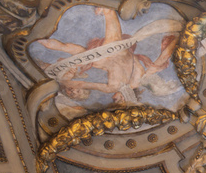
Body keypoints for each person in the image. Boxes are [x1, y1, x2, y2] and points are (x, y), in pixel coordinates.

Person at [38, 6, 179, 104]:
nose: (113, 96)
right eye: (116, 99)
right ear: (125, 99)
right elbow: (83, 83)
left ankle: (40, 40)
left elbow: (83, 83)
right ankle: (41, 40)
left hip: (107, 55)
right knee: (69, 48)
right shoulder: (123, 84)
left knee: (69, 49)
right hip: (110, 53)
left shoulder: (133, 81)